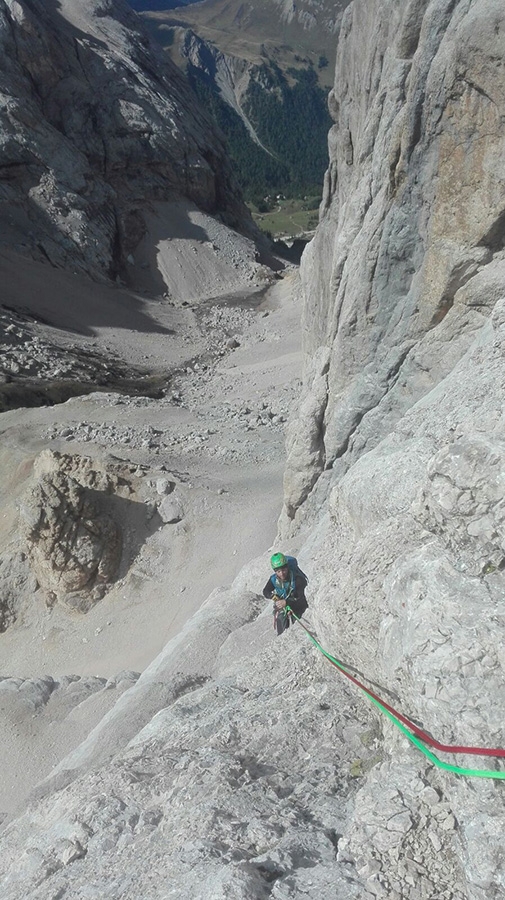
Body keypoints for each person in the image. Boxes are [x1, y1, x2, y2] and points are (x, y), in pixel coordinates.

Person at [262, 552, 308, 635]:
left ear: (287, 568)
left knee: (299, 626)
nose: (282, 573)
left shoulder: (297, 579)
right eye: (278, 571)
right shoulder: (274, 580)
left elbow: (303, 600)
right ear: (275, 571)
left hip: (298, 606)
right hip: (284, 606)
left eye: (284, 570)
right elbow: (266, 591)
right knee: (281, 618)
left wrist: (287, 602)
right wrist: (273, 596)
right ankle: (281, 637)